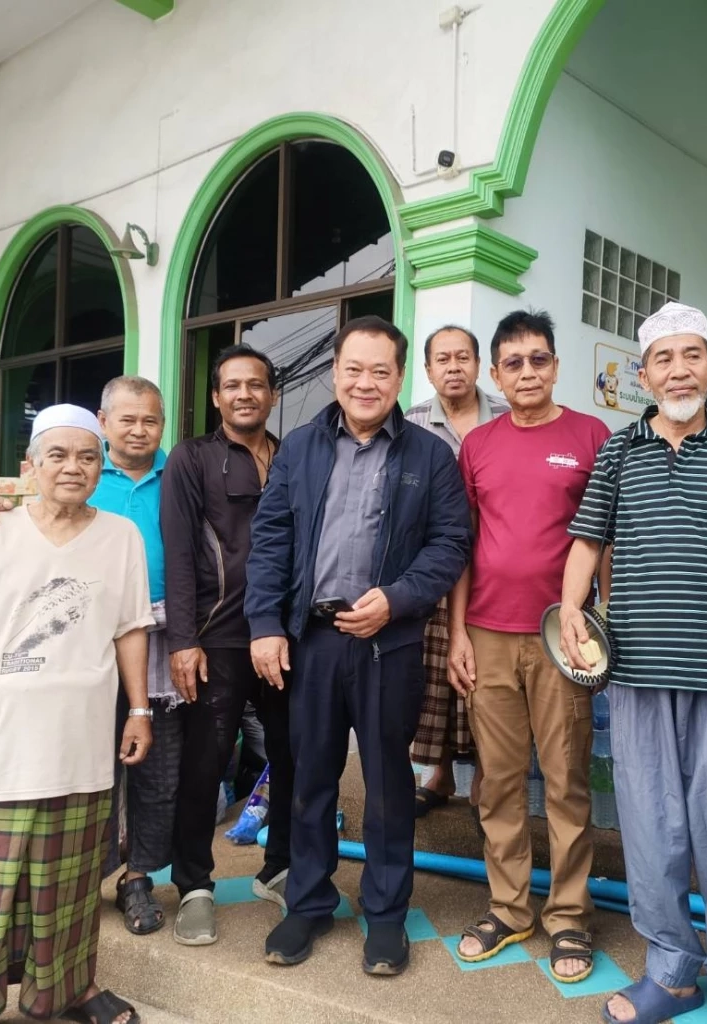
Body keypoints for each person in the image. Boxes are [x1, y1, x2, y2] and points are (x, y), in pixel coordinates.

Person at [562, 304, 707, 1024]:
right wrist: (570, 609)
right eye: (662, 358)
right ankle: (673, 972)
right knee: (651, 829)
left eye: (691, 356)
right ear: (642, 375)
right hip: (638, 674)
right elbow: (587, 541)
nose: (677, 370)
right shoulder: (619, 451)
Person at [246, 314, 471, 976]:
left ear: (399, 378)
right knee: (310, 776)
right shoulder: (302, 448)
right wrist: (263, 623)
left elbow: (450, 544)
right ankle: (308, 903)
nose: (365, 383)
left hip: (387, 644)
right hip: (310, 641)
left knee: (386, 783)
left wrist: (398, 599)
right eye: (353, 369)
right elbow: (271, 538)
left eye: (380, 371)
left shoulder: (430, 455)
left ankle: (385, 913)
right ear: (334, 373)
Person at [0, 404, 154, 1024]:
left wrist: (137, 709)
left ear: (101, 467)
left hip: (84, 739)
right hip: (4, 739)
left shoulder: (121, 537)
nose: (73, 467)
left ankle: (68, 991)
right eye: (57, 455)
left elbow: (130, 631)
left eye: (88, 456)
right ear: (30, 466)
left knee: (75, 882)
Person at [0, 376, 179, 938]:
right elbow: (31, 501)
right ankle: (90, 874)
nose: (139, 429)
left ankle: (138, 877)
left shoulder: (180, 473)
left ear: (164, 425)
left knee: (155, 768)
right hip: (77, 646)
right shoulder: (75, 470)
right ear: (104, 422)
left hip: (159, 635)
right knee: (90, 772)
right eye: (126, 419)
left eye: (151, 419)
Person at [449, 310, 610, 983]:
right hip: (486, 633)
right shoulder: (477, 444)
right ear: (494, 373)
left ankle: (568, 915)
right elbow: (462, 544)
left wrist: (606, 625)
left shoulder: (590, 435)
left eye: (537, 360)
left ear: (554, 365)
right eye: (512, 363)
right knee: (499, 782)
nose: (526, 373)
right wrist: (456, 631)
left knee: (568, 781)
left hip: (561, 636)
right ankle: (510, 907)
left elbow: (603, 538)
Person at [160, 343, 296, 944]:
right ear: (216, 397)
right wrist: (183, 639)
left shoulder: (295, 456)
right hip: (217, 639)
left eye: (257, 384)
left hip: (287, 638)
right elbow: (181, 554)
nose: (245, 394)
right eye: (232, 385)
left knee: (293, 753)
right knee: (205, 761)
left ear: (272, 394)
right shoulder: (191, 459)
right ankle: (193, 884)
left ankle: (282, 866)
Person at [405, 324, 508, 819]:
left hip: (495, 566)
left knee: (486, 677)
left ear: (478, 365)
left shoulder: (507, 417)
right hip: (432, 567)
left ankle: (487, 781)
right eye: (442, 359)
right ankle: (438, 774)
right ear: (428, 369)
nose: (453, 366)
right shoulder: (410, 423)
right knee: (435, 679)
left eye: (462, 357)